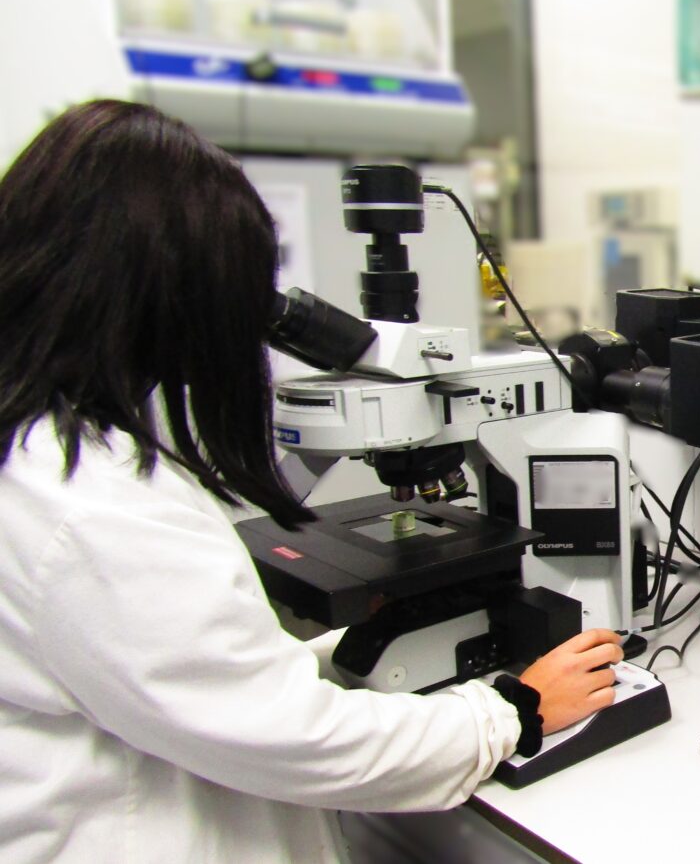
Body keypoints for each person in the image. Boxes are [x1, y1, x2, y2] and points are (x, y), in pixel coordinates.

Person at [0, 100, 623, 863]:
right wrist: (513, 712)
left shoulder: (39, 454)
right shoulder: (92, 508)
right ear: (168, 298)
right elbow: (288, 737)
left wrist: (333, 657)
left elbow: (188, 681)